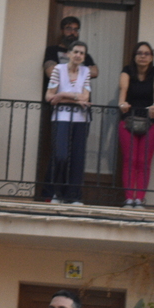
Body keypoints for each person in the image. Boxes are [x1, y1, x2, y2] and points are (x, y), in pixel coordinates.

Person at [118, 41, 154, 207]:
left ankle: (139, 198)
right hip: (128, 120)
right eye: (139, 53)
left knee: (144, 161)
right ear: (134, 56)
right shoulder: (127, 70)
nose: (143, 56)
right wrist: (122, 103)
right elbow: (123, 90)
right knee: (130, 159)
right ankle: (129, 197)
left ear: (151, 57)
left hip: (150, 121)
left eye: (146, 53)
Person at [45, 40, 92, 204]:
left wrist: (62, 95)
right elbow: (49, 96)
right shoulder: (58, 69)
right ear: (69, 54)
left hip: (81, 119)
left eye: (82, 53)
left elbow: (86, 97)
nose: (78, 55)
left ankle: (73, 196)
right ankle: (57, 193)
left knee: (77, 159)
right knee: (61, 156)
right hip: (61, 118)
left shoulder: (86, 71)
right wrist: (74, 97)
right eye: (76, 52)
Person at [44, 16, 98, 80]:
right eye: (68, 29)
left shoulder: (82, 53)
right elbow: (51, 72)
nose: (72, 32)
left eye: (75, 29)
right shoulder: (52, 50)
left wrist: (62, 70)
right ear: (62, 31)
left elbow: (94, 72)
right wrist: (83, 70)